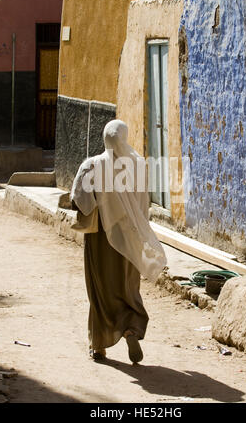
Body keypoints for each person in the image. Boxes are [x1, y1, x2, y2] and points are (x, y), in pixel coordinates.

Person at [70, 119, 167, 363]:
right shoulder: (139, 165)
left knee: (100, 289)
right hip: (131, 237)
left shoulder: (93, 165)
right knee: (127, 286)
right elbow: (144, 205)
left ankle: (99, 345)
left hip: (102, 237)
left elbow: (80, 201)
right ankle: (130, 328)